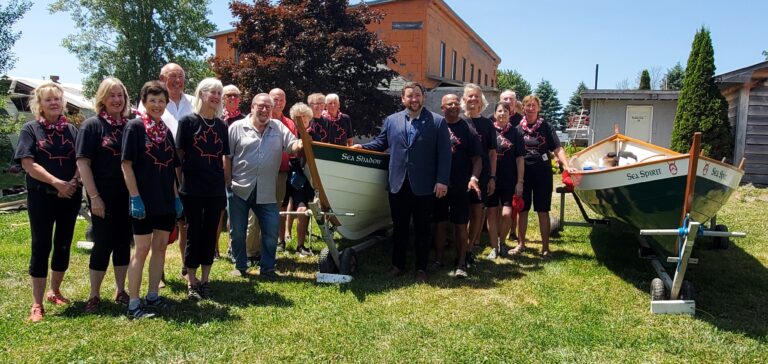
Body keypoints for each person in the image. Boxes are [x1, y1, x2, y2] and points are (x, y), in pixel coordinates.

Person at [354, 82, 451, 282]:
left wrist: (442, 180)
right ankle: (397, 265)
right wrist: (362, 148)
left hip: (424, 185)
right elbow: (381, 143)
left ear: (423, 97)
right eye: (410, 96)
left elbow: (445, 154)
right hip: (398, 183)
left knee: (423, 229)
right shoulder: (392, 120)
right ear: (403, 99)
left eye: (417, 95)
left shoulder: (437, 122)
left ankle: (421, 269)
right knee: (399, 227)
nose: (414, 99)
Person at [15, 82, 81, 322]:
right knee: (41, 245)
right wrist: (57, 183)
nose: (54, 103)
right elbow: (28, 164)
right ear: (39, 105)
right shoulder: (30, 130)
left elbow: (82, 160)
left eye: (57, 99)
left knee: (63, 243)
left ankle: (55, 291)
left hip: (70, 195)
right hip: (42, 196)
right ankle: (37, 302)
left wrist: (72, 182)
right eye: (48, 100)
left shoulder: (72, 131)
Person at [122, 81, 183, 319]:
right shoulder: (134, 128)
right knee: (142, 249)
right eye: (152, 100)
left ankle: (153, 296)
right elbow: (126, 165)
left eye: (161, 101)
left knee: (159, 248)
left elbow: (170, 169)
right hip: (143, 201)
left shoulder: (165, 131)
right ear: (144, 102)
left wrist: (176, 198)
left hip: (165, 200)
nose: (157, 105)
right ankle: (134, 304)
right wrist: (135, 198)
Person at [226, 93, 303, 278]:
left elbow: (292, 145)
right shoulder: (237, 127)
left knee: (271, 231)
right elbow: (227, 157)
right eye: (260, 106)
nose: (264, 110)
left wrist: (301, 144)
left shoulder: (277, 127)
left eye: (268, 107)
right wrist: (228, 182)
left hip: (267, 190)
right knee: (237, 232)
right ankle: (240, 266)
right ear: (252, 107)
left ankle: (267, 268)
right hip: (239, 189)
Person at [76, 77, 132, 313]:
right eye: (112, 95)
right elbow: (83, 163)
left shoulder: (131, 125)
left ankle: (120, 290)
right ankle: (94, 294)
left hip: (127, 196)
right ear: (102, 98)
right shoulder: (92, 126)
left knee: (122, 243)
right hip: (102, 195)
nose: (117, 100)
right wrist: (94, 197)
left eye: (120, 95)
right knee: (102, 244)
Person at [139, 63, 195, 280]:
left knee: (185, 223)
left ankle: (185, 266)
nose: (178, 81)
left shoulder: (192, 101)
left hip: (187, 167)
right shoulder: (153, 103)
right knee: (159, 225)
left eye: (181, 76)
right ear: (162, 78)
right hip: (160, 168)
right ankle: (158, 274)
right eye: (173, 76)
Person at [176, 78, 229, 300]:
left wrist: (226, 182)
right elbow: (178, 157)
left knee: (210, 235)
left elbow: (226, 156)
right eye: (212, 93)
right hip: (193, 189)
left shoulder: (221, 126)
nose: (216, 97)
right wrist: (180, 185)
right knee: (193, 234)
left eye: (219, 93)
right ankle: (191, 282)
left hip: (215, 188)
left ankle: (206, 280)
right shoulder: (187, 122)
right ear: (201, 95)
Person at [517, 95, 575, 258]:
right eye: (527, 105)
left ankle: (545, 248)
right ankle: (521, 244)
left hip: (542, 174)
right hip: (524, 174)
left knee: (543, 210)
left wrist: (566, 164)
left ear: (538, 108)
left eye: (533, 105)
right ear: (523, 108)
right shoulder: (518, 129)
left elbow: (558, 148)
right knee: (522, 210)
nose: (530, 108)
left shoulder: (546, 127)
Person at [244, 88, 298, 262]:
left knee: (272, 215)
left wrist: (304, 143)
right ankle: (252, 252)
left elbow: (293, 146)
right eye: (276, 99)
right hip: (256, 176)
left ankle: (268, 252)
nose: (279, 103)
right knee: (254, 215)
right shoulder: (249, 122)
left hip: (280, 174)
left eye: (282, 100)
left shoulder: (287, 123)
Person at [432, 94, 481, 279]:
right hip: (439, 184)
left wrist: (474, 177)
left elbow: (477, 158)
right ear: (442, 107)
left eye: (455, 103)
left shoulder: (468, 129)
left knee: (461, 225)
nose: (453, 106)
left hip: (461, 185)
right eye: (449, 104)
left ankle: (461, 263)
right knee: (439, 223)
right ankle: (438, 259)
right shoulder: (436, 126)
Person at [461, 84, 497, 263]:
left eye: (476, 96)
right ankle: (460, 246)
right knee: (460, 212)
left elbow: (492, 153)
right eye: (470, 96)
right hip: (459, 173)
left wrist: (492, 177)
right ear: (464, 99)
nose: (473, 99)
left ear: (481, 100)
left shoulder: (487, 124)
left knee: (477, 210)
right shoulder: (457, 120)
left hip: (481, 175)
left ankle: (469, 247)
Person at [487, 102, 525, 258]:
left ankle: (501, 242)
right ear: (495, 114)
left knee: (506, 214)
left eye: (505, 111)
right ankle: (494, 248)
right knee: (491, 212)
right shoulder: (489, 131)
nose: (502, 114)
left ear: (510, 115)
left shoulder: (516, 133)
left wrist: (520, 181)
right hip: (491, 180)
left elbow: (520, 159)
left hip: (509, 180)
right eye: (499, 111)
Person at [216, 85, 246, 260]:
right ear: (223, 98)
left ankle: (231, 247)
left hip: (237, 171)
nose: (233, 99)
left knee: (234, 212)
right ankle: (214, 250)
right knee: (217, 212)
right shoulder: (216, 118)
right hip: (215, 170)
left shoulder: (244, 120)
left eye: (236, 96)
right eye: (229, 96)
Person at [290, 101, 319, 257]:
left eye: (304, 117)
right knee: (301, 210)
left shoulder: (314, 134)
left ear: (309, 118)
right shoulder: (292, 135)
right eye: (298, 117)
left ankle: (319, 243)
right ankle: (299, 246)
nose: (302, 120)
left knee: (317, 210)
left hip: (313, 178)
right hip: (298, 177)